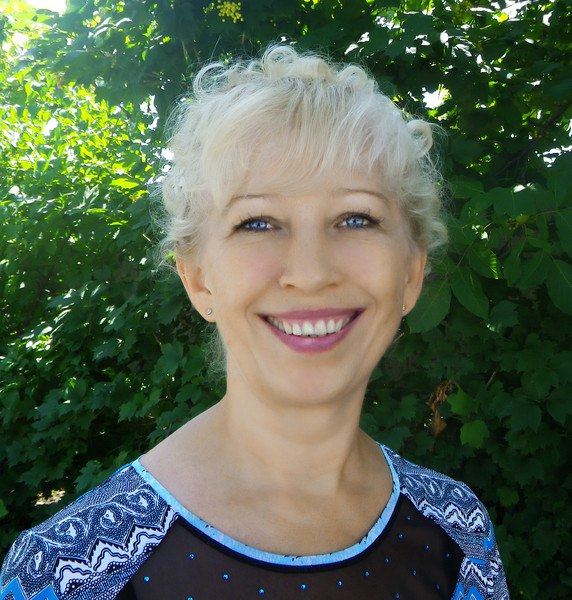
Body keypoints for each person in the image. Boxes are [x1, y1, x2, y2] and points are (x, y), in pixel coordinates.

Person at [0, 45, 509, 599]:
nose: (310, 274)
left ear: (411, 273)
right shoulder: (72, 571)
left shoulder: (458, 532)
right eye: (258, 222)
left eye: (356, 218)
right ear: (199, 279)